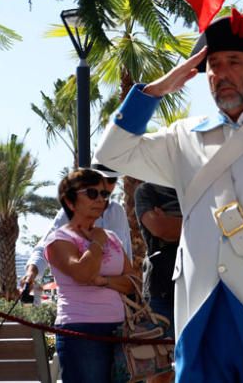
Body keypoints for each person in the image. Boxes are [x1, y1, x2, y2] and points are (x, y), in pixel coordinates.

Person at [94, 9, 243, 382]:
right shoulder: (184, 137)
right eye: (212, 64)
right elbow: (110, 156)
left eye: (233, 62)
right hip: (200, 310)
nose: (220, 73)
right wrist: (154, 92)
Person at [45, 168, 138, 383]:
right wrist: (96, 242)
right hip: (81, 330)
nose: (100, 200)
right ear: (70, 202)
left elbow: (133, 282)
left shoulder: (112, 237)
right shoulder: (59, 239)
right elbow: (83, 273)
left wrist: (104, 281)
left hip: (119, 329)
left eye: (104, 195)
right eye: (92, 193)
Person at [20, 162, 131, 293]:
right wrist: (31, 274)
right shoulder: (68, 214)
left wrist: (108, 282)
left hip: (115, 307)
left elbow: (128, 261)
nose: (106, 184)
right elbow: (44, 247)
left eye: (112, 179)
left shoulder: (117, 212)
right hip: (76, 307)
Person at [134, 181, 182, 383]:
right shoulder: (146, 191)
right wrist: (196, 221)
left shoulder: (194, 186)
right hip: (161, 294)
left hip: (200, 289)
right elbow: (160, 229)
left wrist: (173, 222)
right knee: (160, 370)